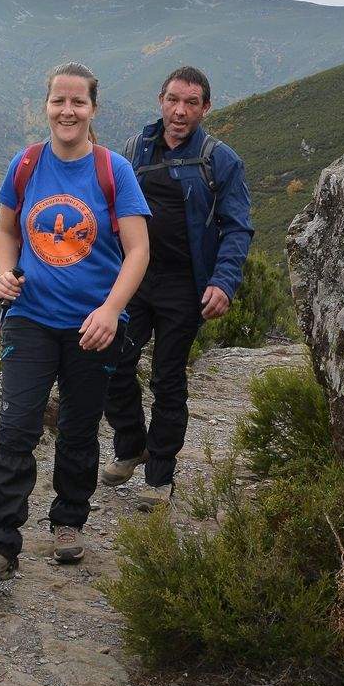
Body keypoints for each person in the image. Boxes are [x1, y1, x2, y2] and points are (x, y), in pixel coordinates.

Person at [0, 62, 151, 588]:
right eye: (59, 101)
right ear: (46, 105)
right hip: (30, 319)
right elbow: (5, 232)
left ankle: (68, 521)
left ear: (93, 109)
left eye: (79, 102)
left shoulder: (114, 171)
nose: (68, 111)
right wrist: (4, 274)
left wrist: (111, 310)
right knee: (16, 428)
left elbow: (138, 251)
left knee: (78, 429)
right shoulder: (24, 166)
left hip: (94, 326)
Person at [101, 66, 253, 509]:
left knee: (168, 377)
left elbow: (237, 227)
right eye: (173, 100)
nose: (179, 111)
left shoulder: (219, 159)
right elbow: (107, 210)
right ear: (160, 100)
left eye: (191, 103)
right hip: (134, 277)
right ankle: (131, 446)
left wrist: (224, 282)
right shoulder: (134, 149)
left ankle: (159, 475)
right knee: (113, 360)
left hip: (186, 285)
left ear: (205, 108)